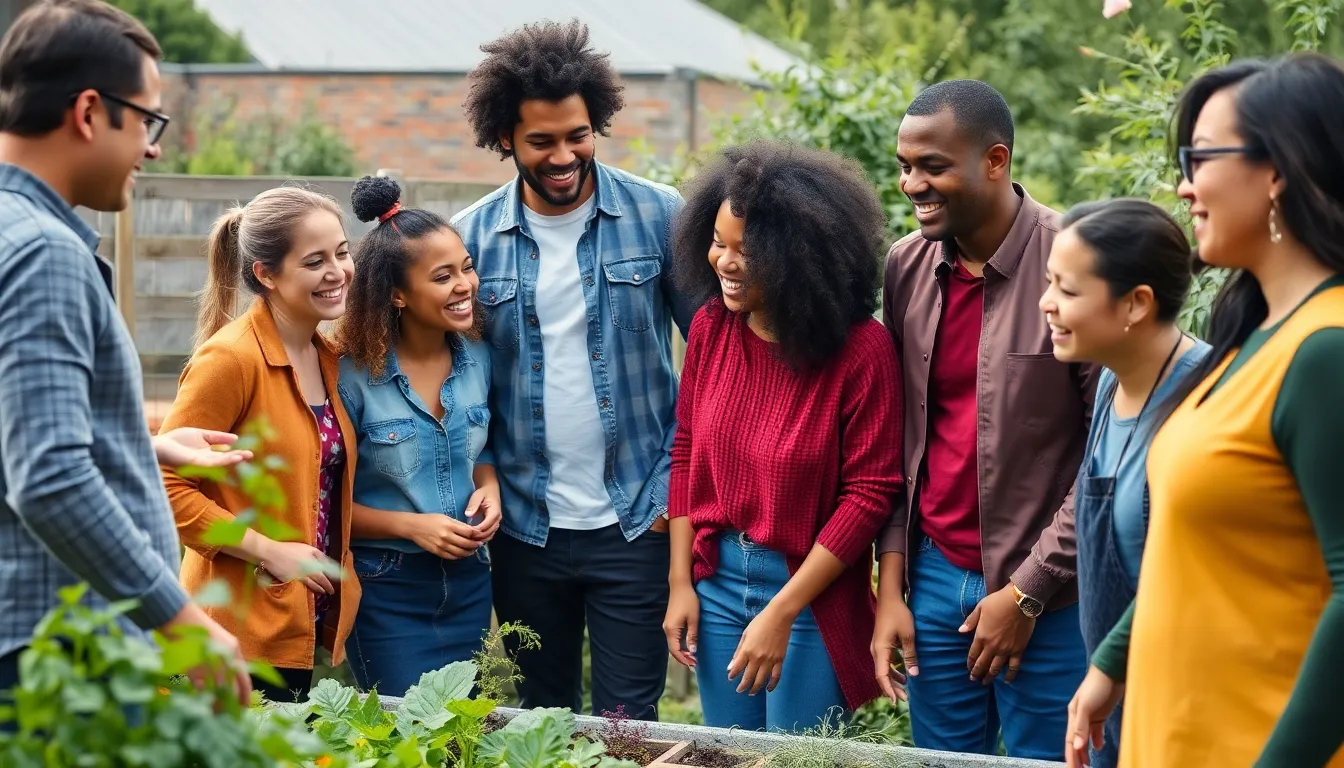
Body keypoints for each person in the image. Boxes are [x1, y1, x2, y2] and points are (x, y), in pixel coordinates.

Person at [1068, 53, 1344, 767]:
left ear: (1277, 171)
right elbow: (1199, 546)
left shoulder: (1325, 353)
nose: (1184, 187)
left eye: (1201, 157)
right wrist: (1113, 661)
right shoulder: (1253, 341)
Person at [0, 0, 249, 701]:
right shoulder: (43, 252)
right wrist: (179, 617)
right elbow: (47, 474)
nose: (154, 147)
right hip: (55, 650)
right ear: (88, 112)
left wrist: (145, 444)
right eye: (147, 119)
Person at [452, 19, 692, 719]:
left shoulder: (659, 215)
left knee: (629, 730)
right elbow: (455, 384)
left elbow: (714, 361)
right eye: (542, 142)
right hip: (525, 527)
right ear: (505, 139)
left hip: (636, 521)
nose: (564, 156)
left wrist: (676, 492)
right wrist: (485, 480)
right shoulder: (469, 241)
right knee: (541, 723)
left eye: (577, 136)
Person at [870, 79, 1097, 760]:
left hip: (1053, 595)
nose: (913, 184)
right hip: (933, 582)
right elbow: (898, 437)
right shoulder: (906, 267)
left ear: (994, 161)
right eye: (906, 166)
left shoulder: (1075, 261)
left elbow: (1109, 458)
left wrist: (1026, 593)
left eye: (933, 166)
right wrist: (891, 587)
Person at [662, 141, 903, 732]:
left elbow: (870, 494)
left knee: (794, 755)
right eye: (718, 242)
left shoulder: (861, 351)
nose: (725, 262)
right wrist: (679, 583)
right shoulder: (712, 328)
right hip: (716, 581)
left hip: (811, 596)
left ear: (800, 257)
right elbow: (687, 450)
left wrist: (783, 608)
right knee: (730, 753)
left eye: (749, 251)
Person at [158, 186, 361, 703]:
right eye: (314, 261)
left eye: (341, 252)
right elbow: (163, 485)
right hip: (230, 631)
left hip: (294, 623)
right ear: (265, 274)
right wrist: (268, 551)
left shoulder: (330, 356)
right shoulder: (229, 360)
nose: (337, 271)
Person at [1037, 199, 1210, 768]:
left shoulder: (1205, 403)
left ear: (1136, 303)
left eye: (1067, 289)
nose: (1046, 304)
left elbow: (1192, 577)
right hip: (1120, 703)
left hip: (1193, 711)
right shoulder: (1111, 385)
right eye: (1047, 284)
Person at [335, 175, 502, 697]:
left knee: (460, 737)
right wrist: (412, 527)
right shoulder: (351, 375)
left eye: (467, 268)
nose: (465, 285)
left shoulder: (478, 358)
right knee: (408, 739)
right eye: (443, 276)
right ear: (398, 295)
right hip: (386, 587)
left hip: (470, 583)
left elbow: (481, 447)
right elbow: (326, 502)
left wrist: (490, 487)